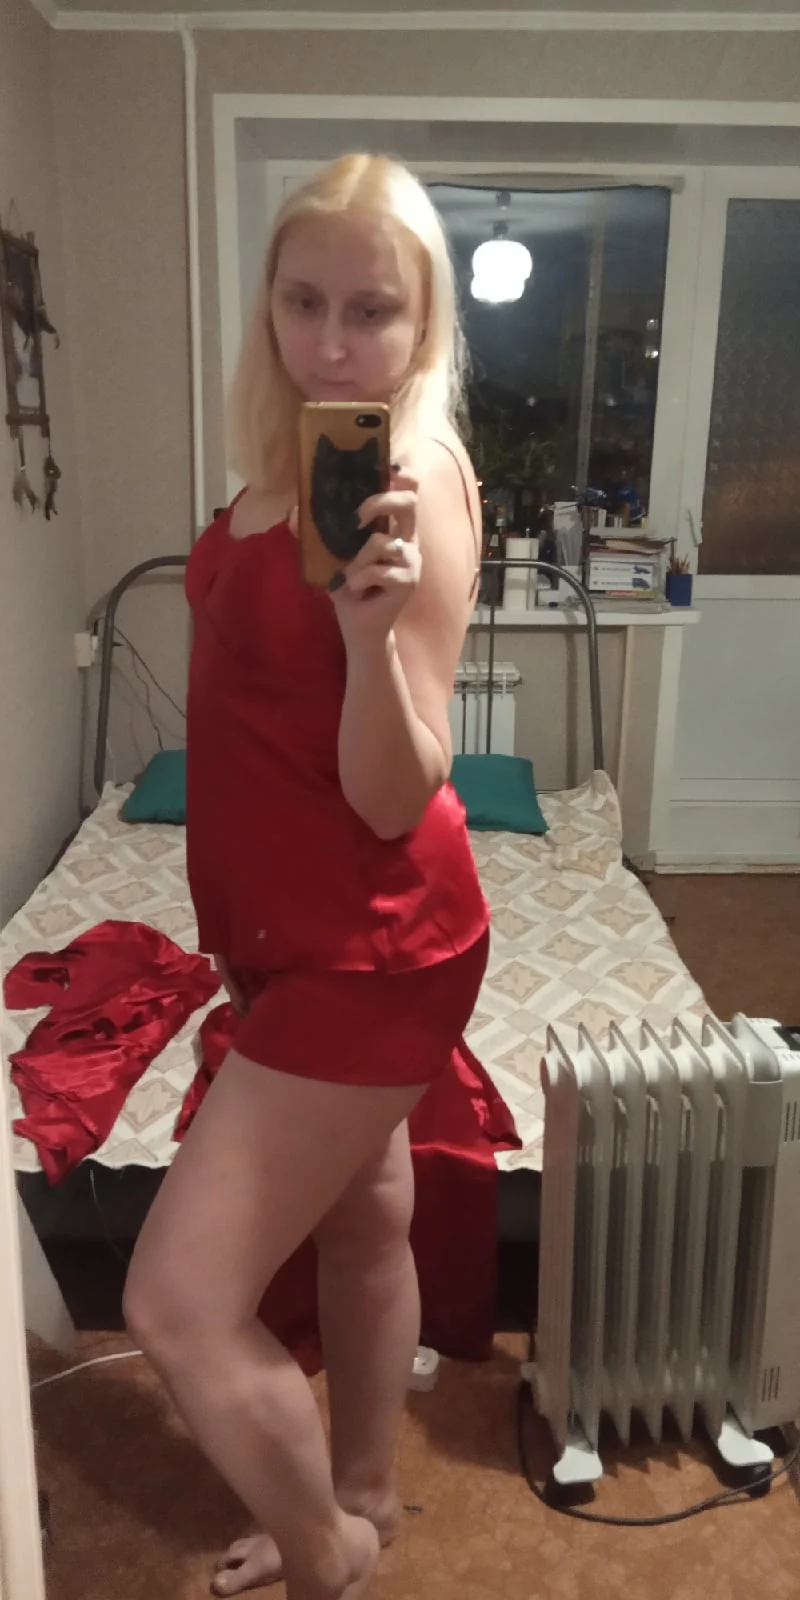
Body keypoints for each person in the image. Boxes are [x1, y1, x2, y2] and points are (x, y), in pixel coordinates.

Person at [124, 152, 490, 1600]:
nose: (334, 343)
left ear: (423, 322)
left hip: (373, 944)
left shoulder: (416, 487)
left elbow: (398, 793)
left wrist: (365, 639)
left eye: (372, 310)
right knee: (363, 1216)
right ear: (267, 305)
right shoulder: (282, 469)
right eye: (304, 301)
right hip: (280, 933)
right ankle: (366, 1494)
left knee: (175, 1300)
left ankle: (329, 1556)